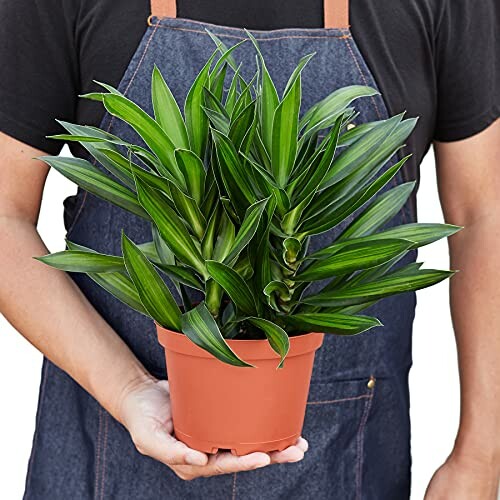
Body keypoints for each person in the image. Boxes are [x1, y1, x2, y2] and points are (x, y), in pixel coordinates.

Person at [0, 0, 498, 498]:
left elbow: (484, 214)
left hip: (348, 455)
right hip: (109, 443)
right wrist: (127, 389)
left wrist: (480, 460)